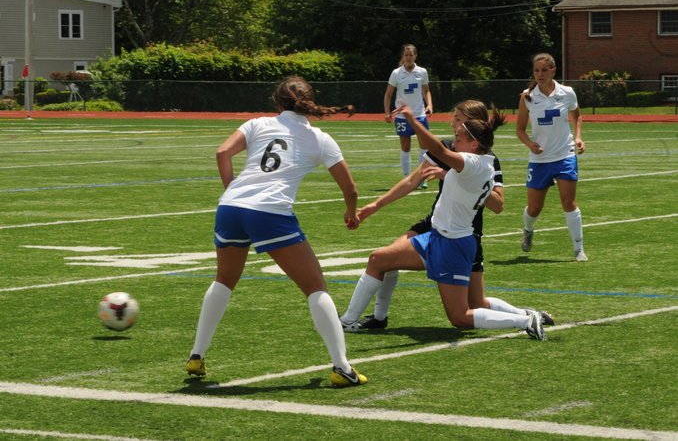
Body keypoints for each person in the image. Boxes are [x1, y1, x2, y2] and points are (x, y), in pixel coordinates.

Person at [185, 76, 367, 387]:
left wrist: (233, 192)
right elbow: (350, 189)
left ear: (277, 102)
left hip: (230, 208)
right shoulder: (320, 138)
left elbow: (222, 153)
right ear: (309, 102)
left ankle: (196, 355)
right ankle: (342, 368)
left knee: (224, 280)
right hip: (269, 212)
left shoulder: (258, 124)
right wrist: (351, 212)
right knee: (316, 287)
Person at [340, 101, 554, 333]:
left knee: (472, 308)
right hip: (437, 227)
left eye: (458, 120)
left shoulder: (479, 160)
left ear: (473, 128)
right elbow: (415, 178)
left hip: (461, 235)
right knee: (382, 259)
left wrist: (464, 180)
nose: (453, 125)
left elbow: (498, 205)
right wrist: (375, 205)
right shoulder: (459, 152)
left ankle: (526, 317)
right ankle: (374, 318)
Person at [517, 52, 588, 262]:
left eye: (544, 70)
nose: (540, 74)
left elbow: (577, 116)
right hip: (539, 160)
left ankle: (578, 249)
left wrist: (578, 137)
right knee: (534, 208)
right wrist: (530, 144)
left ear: (553, 71)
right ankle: (528, 230)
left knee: (568, 202)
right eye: (536, 70)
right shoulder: (527, 97)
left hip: (565, 155)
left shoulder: (567, 93)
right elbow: (520, 129)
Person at [383, 44, 433, 188]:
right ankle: (407, 179)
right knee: (405, 147)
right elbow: (388, 94)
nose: (409, 57)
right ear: (403, 56)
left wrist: (429, 104)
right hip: (402, 116)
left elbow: (426, 90)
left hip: (419, 115)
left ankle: (421, 177)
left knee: (424, 146)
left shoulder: (422, 72)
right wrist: (387, 112)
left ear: (415, 56)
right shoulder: (396, 73)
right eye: (406, 55)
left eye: (411, 55)